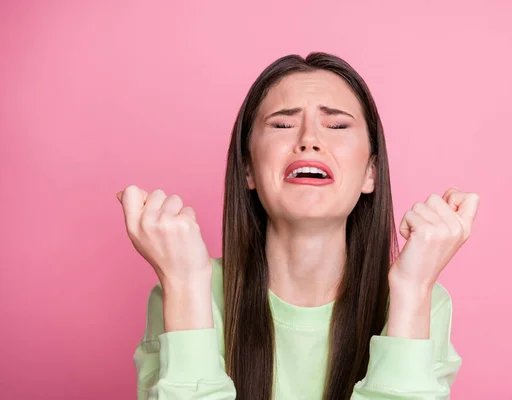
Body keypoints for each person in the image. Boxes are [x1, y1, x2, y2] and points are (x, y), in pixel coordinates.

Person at [116, 52, 480, 400]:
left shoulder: (421, 302)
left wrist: (413, 288)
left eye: (336, 125)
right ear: (248, 170)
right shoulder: (185, 289)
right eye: (283, 124)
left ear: (371, 172)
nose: (309, 140)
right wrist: (183, 284)